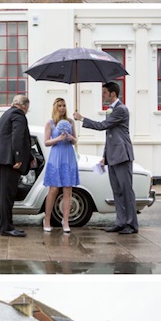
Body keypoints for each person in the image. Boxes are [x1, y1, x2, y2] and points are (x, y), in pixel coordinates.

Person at [75, 83, 137, 234]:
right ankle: (121, 222)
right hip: (113, 156)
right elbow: (110, 135)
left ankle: (131, 225)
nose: (102, 95)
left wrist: (82, 118)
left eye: (104, 92)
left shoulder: (121, 109)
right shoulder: (111, 111)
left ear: (112, 94)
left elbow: (102, 126)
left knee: (126, 190)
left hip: (122, 156)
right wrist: (105, 157)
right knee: (117, 191)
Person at [0, 94, 32, 237]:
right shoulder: (18, 115)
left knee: (4, 195)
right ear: (25, 106)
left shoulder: (6, 114)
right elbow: (18, 136)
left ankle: (6, 226)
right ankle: (7, 228)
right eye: (27, 107)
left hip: (0, 159)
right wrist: (19, 158)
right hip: (9, 161)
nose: (27, 110)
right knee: (7, 196)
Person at [42, 96, 78, 234]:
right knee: (53, 189)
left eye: (64, 105)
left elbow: (75, 141)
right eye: (60, 106)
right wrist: (59, 138)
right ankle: (47, 219)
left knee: (68, 190)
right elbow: (46, 142)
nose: (62, 108)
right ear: (55, 107)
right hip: (56, 157)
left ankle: (66, 221)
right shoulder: (50, 123)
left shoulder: (70, 122)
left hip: (68, 156)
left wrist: (70, 138)